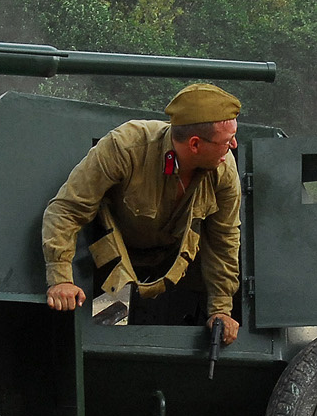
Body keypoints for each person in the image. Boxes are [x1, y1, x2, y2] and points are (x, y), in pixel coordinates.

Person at [42, 82, 243, 346]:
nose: (234, 145)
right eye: (227, 141)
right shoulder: (125, 147)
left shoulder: (223, 170)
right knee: (105, 345)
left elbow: (224, 240)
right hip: (113, 267)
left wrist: (221, 309)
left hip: (176, 269)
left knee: (167, 343)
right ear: (194, 144)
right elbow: (67, 208)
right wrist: (60, 279)